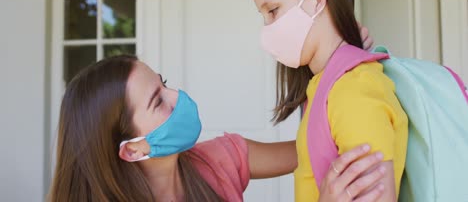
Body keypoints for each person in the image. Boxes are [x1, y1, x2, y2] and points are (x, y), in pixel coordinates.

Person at [49, 55, 387, 202]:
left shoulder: (217, 161)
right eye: (158, 101)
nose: (177, 95)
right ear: (133, 149)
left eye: (164, 83)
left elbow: (308, 149)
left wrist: (334, 63)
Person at [249, 0, 409, 201]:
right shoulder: (326, 85)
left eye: (273, 11)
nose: (267, 28)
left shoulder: (352, 90)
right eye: (263, 15)